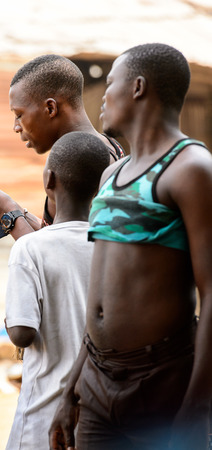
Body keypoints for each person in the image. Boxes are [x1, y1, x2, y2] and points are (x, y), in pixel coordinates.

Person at [49, 43, 212, 450]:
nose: (102, 95)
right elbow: (100, 295)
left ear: (138, 87)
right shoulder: (112, 175)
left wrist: (195, 409)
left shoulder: (191, 169)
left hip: (161, 386)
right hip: (98, 381)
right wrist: (71, 390)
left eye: (110, 82)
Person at [4, 131, 110, 449]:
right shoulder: (114, 247)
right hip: (97, 414)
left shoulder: (30, 248)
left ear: (49, 180)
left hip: (43, 416)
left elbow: (22, 333)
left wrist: (9, 316)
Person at [0, 54, 124, 239]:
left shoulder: (88, 164)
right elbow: (57, 237)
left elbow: (64, 257)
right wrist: (18, 211)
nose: (15, 127)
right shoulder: (104, 148)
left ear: (50, 108)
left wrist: (7, 212)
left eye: (19, 114)